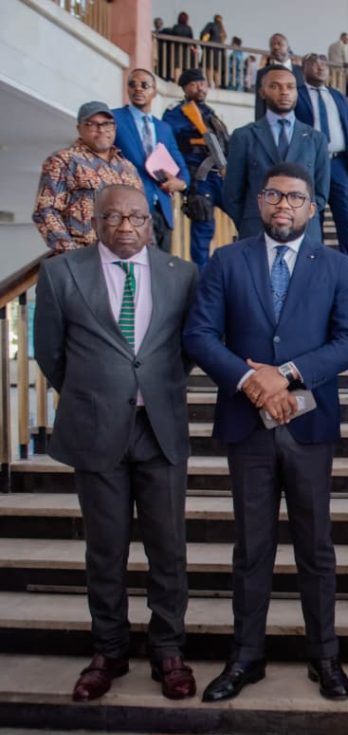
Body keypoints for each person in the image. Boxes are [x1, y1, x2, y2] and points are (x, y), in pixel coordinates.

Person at [185, 162, 348, 703]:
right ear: (259, 203)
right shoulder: (226, 260)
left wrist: (284, 373)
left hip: (310, 427)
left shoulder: (337, 267)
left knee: (316, 548)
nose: (283, 204)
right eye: (273, 195)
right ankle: (246, 656)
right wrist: (250, 380)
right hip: (249, 426)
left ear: (313, 209)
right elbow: (199, 334)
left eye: (295, 197)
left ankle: (325, 656)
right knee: (251, 548)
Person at [34, 184, 199, 703]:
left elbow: (186, 350)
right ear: (96, 222)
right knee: (105, 552)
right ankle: (109, 650)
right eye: (113, 218)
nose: (125, 227)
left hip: (160, 430)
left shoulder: (182, 275)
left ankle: (168, 650)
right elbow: (49, 354)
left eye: (135, 217)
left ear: (151, 222)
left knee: (168, 551)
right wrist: (100, 392)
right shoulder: (62, 273)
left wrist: (147, 389)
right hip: (95, 429)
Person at [224, 66, 330, 244]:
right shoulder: (243, 136)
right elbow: (232, 195)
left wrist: (297, 218)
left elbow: (320, 193)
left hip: (304, 234)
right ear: (262, 92)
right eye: (275, 86)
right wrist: (252, 220)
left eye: (290, 87)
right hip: (256, 232)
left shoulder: (316, 139)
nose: (284, 92)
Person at [33, 102, 142, 254]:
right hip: (86, 257)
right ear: (80, 129)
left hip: (125, 257)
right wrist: (72, 255)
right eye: (92, 124)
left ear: (114, 128)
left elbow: (141, 215)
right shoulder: (64, 161)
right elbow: (46, 211)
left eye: (107, 124)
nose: (101, 130)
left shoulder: (128, 168)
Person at [294, 52, 348, 274]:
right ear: (304, 68)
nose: (321, 67)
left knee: (346, 215)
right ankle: (315, 263)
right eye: (315, 64)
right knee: (313, 214)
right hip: (310, 163)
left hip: (339, 163)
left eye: (324, 63)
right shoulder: (298, 95)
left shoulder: (338, 96)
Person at [112, 69, 190, 252]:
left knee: (161, 272)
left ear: (154, 91)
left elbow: (181, 166)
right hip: (130, 210)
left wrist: (181, 184)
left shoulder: (164, 128)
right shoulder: (114, 118)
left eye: (144, 85)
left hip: (162, 210)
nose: (138, 89)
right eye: (132, 84)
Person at [163, 68, 231, 269]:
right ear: (184, 88)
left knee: (244, 214)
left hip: (220, 175)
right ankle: (200, 278)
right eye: (194, 84)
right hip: (198, 178)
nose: (200, 87)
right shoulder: (176, 113)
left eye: (202, 83)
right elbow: (169, 142)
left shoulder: (210, 113)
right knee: (203, 229)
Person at [253, 34, 304, 120]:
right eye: (272, 45)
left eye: (279, 44)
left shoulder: (301, 72)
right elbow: (260, 104)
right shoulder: (263, 73)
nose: (275, 47)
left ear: (288, 48)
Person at [199, 14, 226, 86]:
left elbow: (204, 35)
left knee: (209, 67)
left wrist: (203, 45)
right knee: (217, 69)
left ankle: (210, 83)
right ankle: (217, 85)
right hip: (219, 52)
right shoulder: (222, 29)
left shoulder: (211, 25)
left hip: (210, 50)